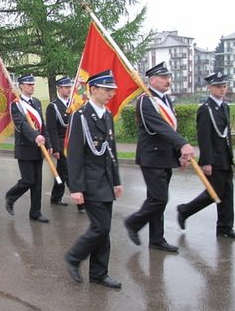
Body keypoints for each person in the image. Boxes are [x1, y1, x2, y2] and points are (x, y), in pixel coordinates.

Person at [124, 62, 194, 253]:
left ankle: (156, 239)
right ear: (152, 80)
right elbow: (158, 126)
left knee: (157, 200)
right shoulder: (145, 100)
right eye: (163, 77)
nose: (168, 80)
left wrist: (178, 153)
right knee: (159, 198)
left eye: (168, 77)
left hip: (165, 156)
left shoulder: (165, 100)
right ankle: (133, 223)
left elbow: (170, 128)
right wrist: (182, 144)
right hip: (152, 156)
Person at [64, 70, 123, 289]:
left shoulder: (106, 115)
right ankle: (74, 256)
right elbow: (75, 155)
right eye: (107, 90)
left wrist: (116, 180)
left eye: (112, 91)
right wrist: (76, 188)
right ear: (94, 90)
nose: (111, 94)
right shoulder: (81, 116)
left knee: (104, 230)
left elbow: (111, 151)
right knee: (100, 227)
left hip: (105, 181)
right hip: (89, 182)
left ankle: (99, 273)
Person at [177, 72, 235, 239]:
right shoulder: (205, 109)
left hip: (225, 158)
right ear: (209, 88)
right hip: (214, 159)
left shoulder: (224, 106)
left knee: (227, 193)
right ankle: (184, 210)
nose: (222, 89)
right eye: (218, 86)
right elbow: (204, 137)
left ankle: (225, 227)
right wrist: (207, 162)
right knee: (214, 192)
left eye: (224, 86)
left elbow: (224, 136)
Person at [5, 75, 52, 223]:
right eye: (29, 84)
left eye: (33, 84)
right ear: (21, 86)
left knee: (37, 183)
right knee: (28, 180)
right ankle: (11, 196)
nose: (32, 86)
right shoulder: (16, 104)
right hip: (25, 148)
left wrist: (49, 144)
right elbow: (21, 125)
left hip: (39, 148)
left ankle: (35, 212)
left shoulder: (37, 102)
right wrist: (35, 136)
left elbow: (42, 125)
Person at [46, 75, 86, 213]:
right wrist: (55, 148)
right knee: (70, 173)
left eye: (70, 87)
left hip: (73, 143)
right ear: (59, 89)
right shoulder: (53, 107)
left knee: (61, 173)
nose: (69, 90)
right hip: (62, 145)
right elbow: (51, 130)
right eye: (66, 87)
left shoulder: (73, 104)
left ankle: (55, 197)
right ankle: (82, 204)